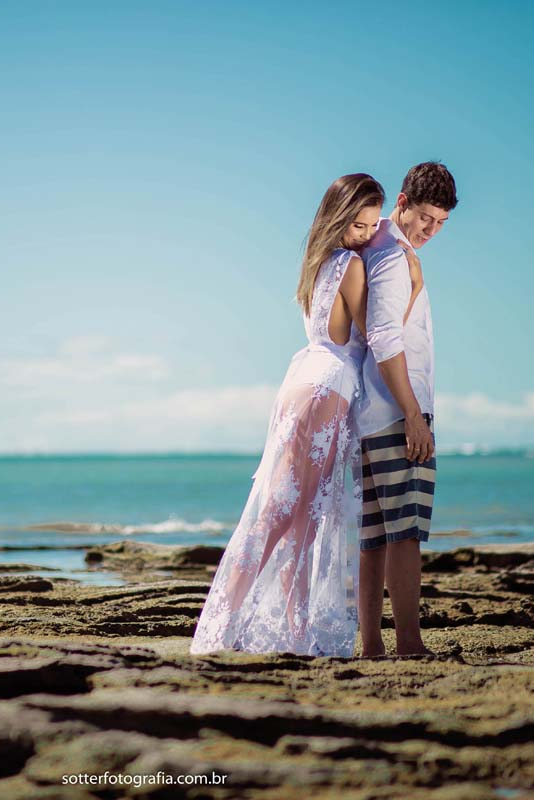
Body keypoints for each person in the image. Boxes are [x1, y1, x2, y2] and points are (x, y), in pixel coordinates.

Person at [190, 173, 384, 657]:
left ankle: (284, 632)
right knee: (284, 513)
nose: (365, 235)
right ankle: (222, 628)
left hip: (301, 382)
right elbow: (376, 334)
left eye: (371, 226)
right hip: (326, 388)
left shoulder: (315, 263)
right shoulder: (351, 267)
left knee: (291, 514)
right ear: (339, 218)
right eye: (358, 225)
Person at [355, 161, 458, 658]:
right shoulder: (393, 255)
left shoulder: (375, 247)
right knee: (406, 533)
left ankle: (372, 644)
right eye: (423, 218)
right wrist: (414, 415)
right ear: (401, 202)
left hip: (372, 414)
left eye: (439, 223)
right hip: (397, 412)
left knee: (375, 537)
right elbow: (383, 336)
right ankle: (410, 645)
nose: (430, 231)